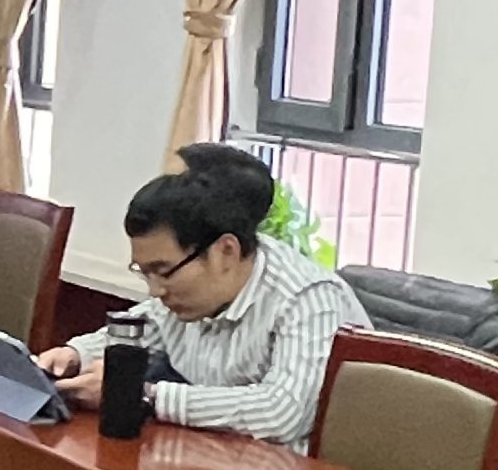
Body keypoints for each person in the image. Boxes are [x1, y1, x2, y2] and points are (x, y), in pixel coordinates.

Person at [41, 164, 368, 446]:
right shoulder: (187, 292)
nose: (155, 290)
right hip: (217, 457)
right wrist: (76, 355)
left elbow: (282, 411)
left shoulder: (308, 298)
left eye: (164, 271)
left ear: (226, 251)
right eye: (145, 273)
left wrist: (143, 395)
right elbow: (142, 328)